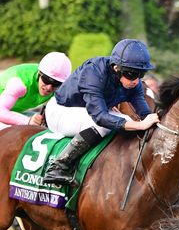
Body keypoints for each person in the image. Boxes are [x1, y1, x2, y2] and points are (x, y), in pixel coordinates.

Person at [42, 39, 160, 186]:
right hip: (60, 111)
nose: (136, 80)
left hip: (84, 112)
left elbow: (144, 113)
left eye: (141, 74)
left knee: (126, 120)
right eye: (131, 74)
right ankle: (59, 166)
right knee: (106, 125)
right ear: (116, 68)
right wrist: (140, 125)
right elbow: (99, 117)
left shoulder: (133, 84)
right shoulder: (93, 72)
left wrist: (155, 120)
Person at [0, 52, 72, 129]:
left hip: (15, 111)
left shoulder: (61, 87)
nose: (49, 87)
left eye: (56, 83)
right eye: (46, 80)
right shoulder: (19, 85)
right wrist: (27, 120)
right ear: (39, 73)